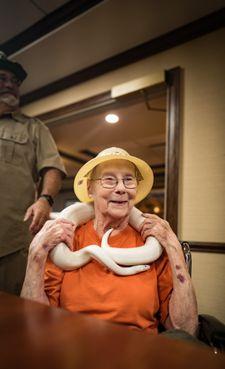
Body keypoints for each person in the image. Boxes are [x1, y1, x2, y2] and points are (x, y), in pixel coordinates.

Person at [21, 147, 198, 337]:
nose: (121, 188)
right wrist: (36, 254)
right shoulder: (67, 238)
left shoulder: (153, 242)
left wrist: (173, 246)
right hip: (74, 350)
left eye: (128, 180)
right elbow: (35, 321)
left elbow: (184, 329)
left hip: (141, 354)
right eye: (109, 180)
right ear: (90, 188)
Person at [0, 52, 66, 296]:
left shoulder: (34, 128)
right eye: (2, 77)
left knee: (10, 317)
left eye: (15, 82)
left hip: (12, 242)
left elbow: (52, 167)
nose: (10, 85)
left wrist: (45, 199)